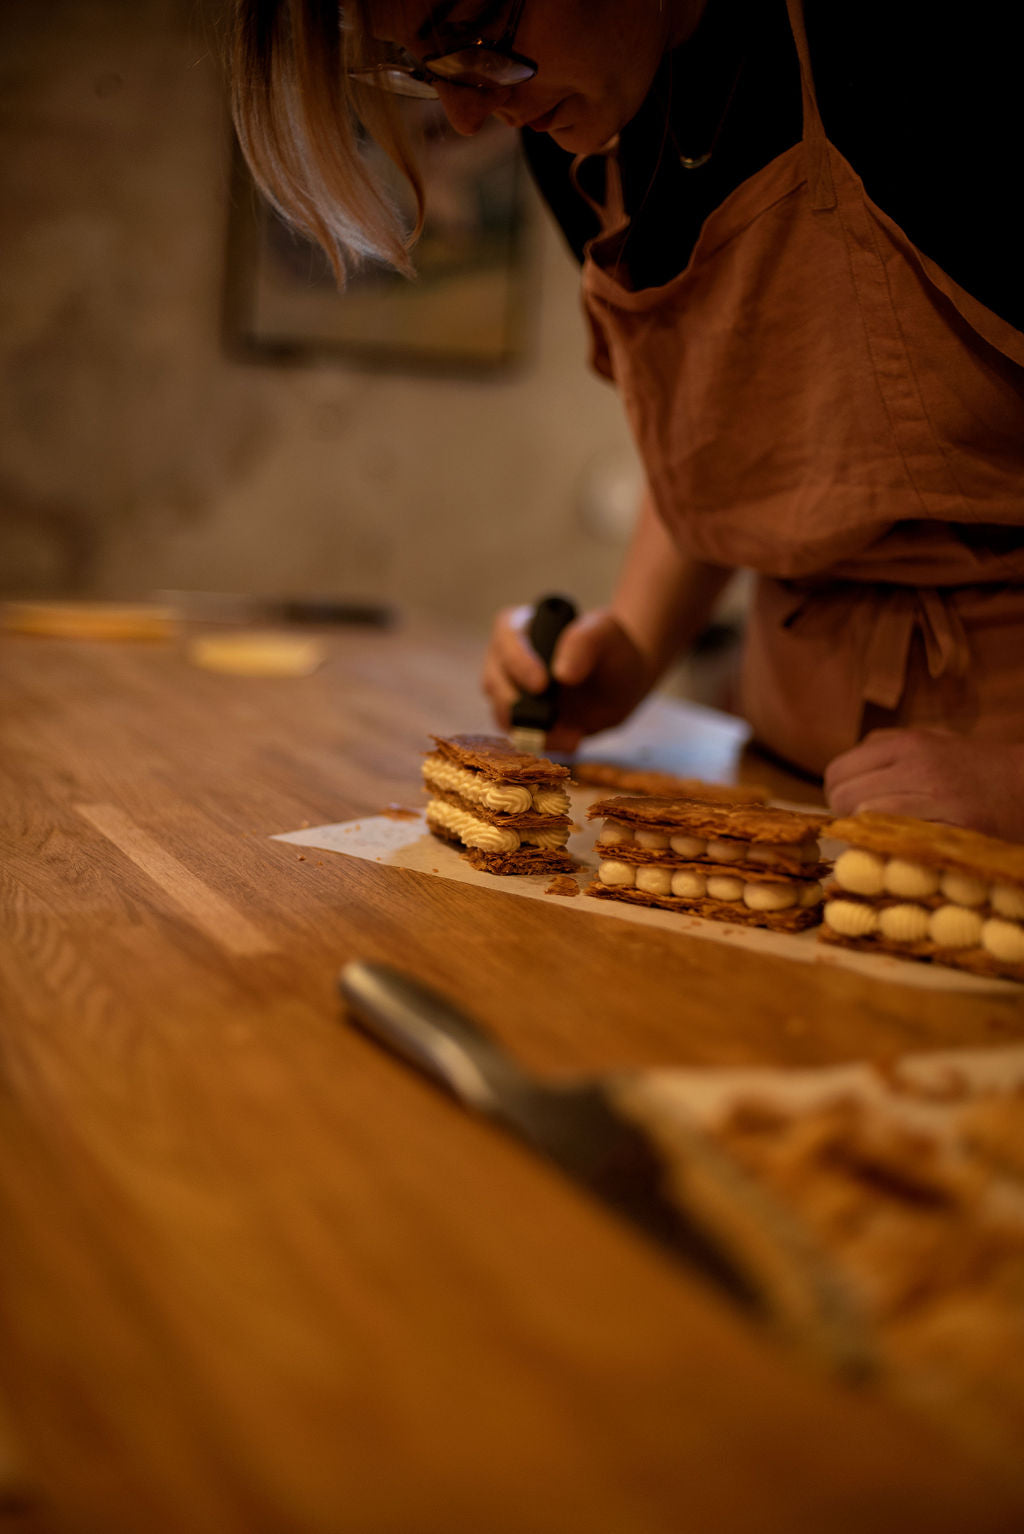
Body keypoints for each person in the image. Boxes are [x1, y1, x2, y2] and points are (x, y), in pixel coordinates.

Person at [230, 0, 1024, 840]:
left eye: (476, 26)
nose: (465, 113)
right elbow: (733, 432)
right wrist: (636, 647)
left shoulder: (922, 65)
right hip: (794, 764)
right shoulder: (579, 141)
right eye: (419, 63)